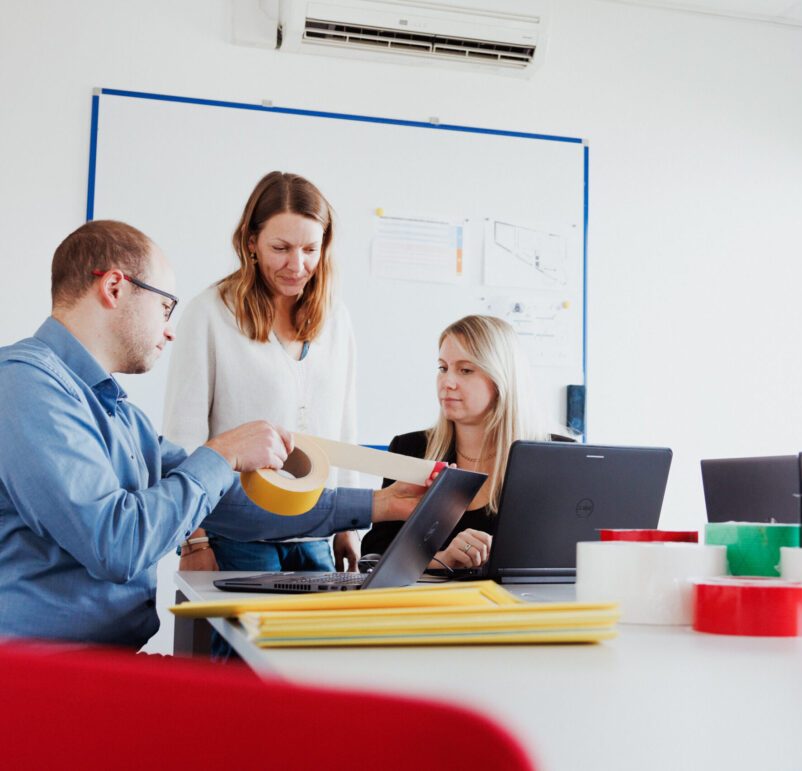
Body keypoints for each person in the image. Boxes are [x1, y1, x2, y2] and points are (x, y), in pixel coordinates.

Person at [0, 220, 426, 650]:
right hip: (41, 676)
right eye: (165, 307)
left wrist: (380, 504)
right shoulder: (24, 386)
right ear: (114, 287)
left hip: (98, 663)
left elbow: (228, 503)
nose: (169, 329)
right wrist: (221, 454)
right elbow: (118, 544)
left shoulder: (118, 414)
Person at [164, 172, 361, 575]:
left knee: (316, 640)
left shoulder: (336, 319)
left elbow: (345, 427)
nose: (298, 265)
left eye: (310, 249)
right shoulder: (209, 314)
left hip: (315, 533)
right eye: (281, 248)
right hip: (236, 536)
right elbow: (183, 439)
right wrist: (194, 539)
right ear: (251, 243)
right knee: (239, 641)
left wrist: (349, 527)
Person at [361, 315, 570, 571]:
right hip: (432, 608)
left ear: (501, 379)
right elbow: (373, 556)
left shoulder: (557, 456)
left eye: (465, 370)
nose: (447, 382)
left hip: (520, 607)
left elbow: (569, 553)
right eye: (442, 368)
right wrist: (442, 559)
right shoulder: (411, 449)